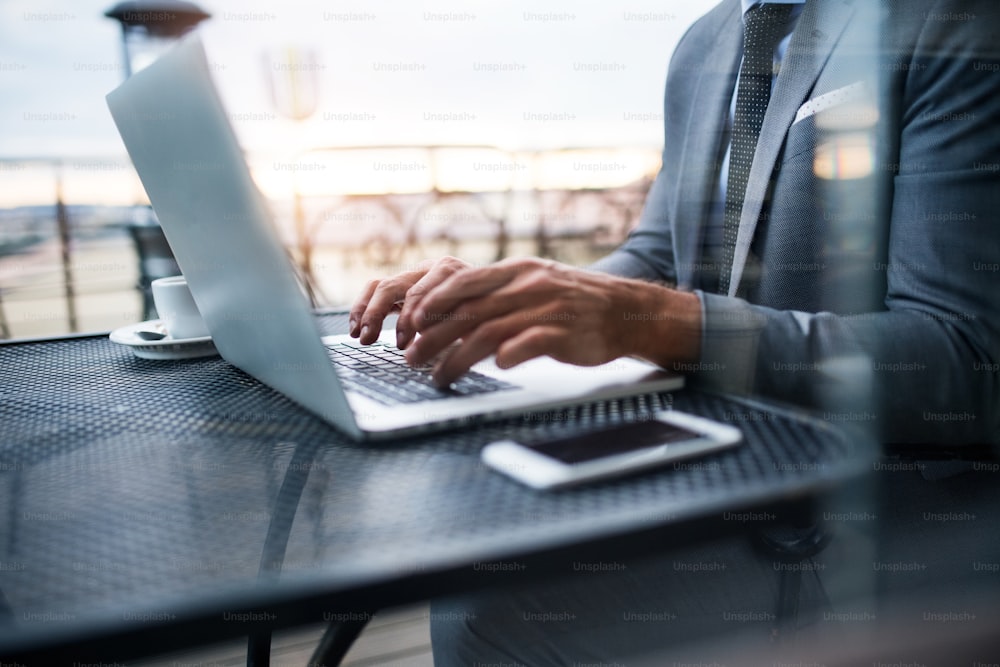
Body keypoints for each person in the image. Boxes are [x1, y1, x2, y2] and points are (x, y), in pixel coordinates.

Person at [349, 0, 1000, 663]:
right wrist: (509, 293)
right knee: (480, 529)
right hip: (724, 472)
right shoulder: (706, 43)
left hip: (896, 516)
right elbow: (657, 256)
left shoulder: (948, 19)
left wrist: (653, 319)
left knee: (485, 613)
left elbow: (968, 356)